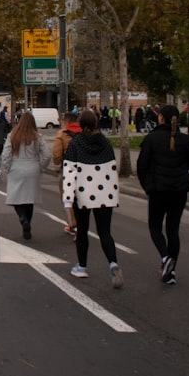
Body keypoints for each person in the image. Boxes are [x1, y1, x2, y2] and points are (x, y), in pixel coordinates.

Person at [137, 105, 189, 285]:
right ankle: (171, 272)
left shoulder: (151, 139)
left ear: (161, 118)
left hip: (158, 190)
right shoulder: (185, 140)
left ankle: (165, 258)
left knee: (155, 227)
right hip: (179, 190)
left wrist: (146, 186)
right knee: (173, 229)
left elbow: (142, 165)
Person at [62, 109, 123, 288]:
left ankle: (82, 267)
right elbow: (112, 170)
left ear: (81, 125)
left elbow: (69, 171)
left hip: (82, 194)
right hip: (105, 194)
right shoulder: (106, 143)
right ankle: (113, 262)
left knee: (82, 230)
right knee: (105, 232)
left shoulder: (76, 144)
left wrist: (67, 198)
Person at [1, 111, 51, 240]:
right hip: (33, 167)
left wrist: (7, 167)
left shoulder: (12, 136)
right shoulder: (37, 137)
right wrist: (41, 167)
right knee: (30, 198)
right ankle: (28, 220)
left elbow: (6, 154)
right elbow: (47, 155)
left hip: (16, 167)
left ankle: (22, 218)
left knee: (15, 197)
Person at [52, 111, 81, 235]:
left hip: (68, 169)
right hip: (85, 169)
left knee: (67, 196)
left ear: (67, 121)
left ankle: (72, 224)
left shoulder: (62, 134)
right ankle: (82, 222)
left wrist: (57, 166)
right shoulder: (84, 133)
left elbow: (57, 153)